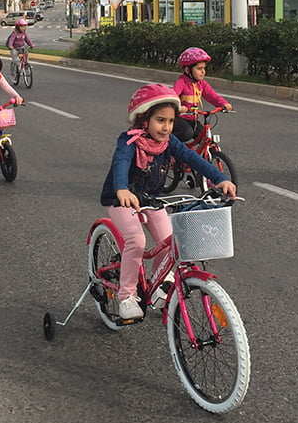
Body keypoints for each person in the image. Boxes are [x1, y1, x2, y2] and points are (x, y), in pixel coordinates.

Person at [99, 84, 237, 320]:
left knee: (170, 240)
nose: (166, 127)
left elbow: (193, 159)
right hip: (121, 199)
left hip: (151, 199)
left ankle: (160, 284)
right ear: (144, 120)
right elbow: (120, 162)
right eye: (160, 120)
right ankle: (126, 295)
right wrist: (121, 188)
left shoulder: (169, 142)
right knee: (136, 240)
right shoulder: (129, 141)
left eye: (171, 121)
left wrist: (219, 179)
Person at [172, 47, 232, 144]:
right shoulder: (181, 83)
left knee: (206, 139)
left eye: (204, 68)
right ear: (188, 70)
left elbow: (212, 96)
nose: (203, 71)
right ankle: (167, 145)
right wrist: (178, 107)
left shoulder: (201, 84)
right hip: (179, 119)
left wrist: (224, 104)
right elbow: (172, 97)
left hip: (193, 119)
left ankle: (208, 156)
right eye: (199, 68)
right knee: (187, 133)